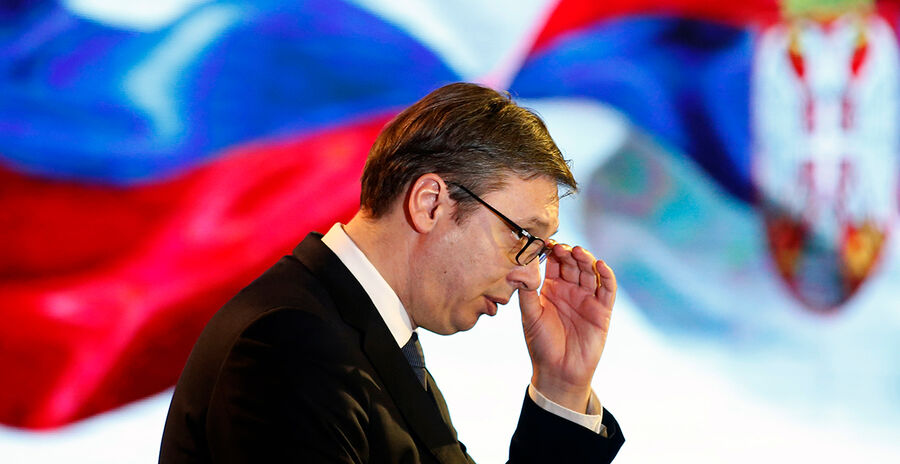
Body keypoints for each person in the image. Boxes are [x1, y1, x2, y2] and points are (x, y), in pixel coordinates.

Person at [159, 82, 624, 463]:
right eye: (521, 236)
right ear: (431, 203)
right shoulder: (289, 344)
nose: (530, 278)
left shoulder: (366, 341)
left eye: (538, 250)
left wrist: (562, 386)